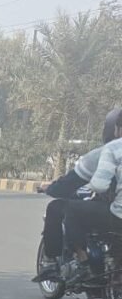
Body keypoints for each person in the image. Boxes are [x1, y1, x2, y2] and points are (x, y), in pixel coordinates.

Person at [32, 109, 120, 282]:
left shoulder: (106, 152)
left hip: (113, 212)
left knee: (61, 208)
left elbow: (69, 185)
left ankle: (76, 262)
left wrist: (49, 188)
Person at [60, 109, 122, 283]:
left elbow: (100, 186)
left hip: (118, 216)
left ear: (117, 129)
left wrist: (91, 185)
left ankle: (83, 262)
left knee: (71, 208)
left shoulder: (113, 148)